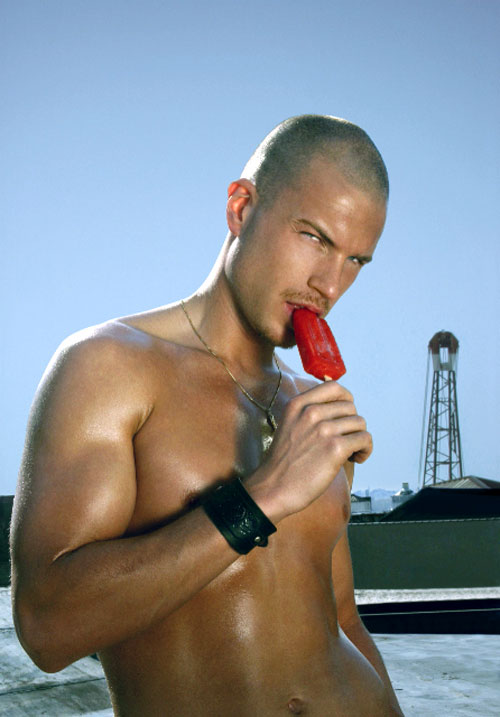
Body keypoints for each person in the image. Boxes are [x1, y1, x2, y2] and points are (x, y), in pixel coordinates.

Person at [10, 115, 404, 716]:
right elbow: (47, 627)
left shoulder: (312, 411)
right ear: (241, 208)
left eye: (356, 261)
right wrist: (264, 497)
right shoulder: (109, 366)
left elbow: (343, 620)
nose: (329, 284)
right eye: (315, 238)